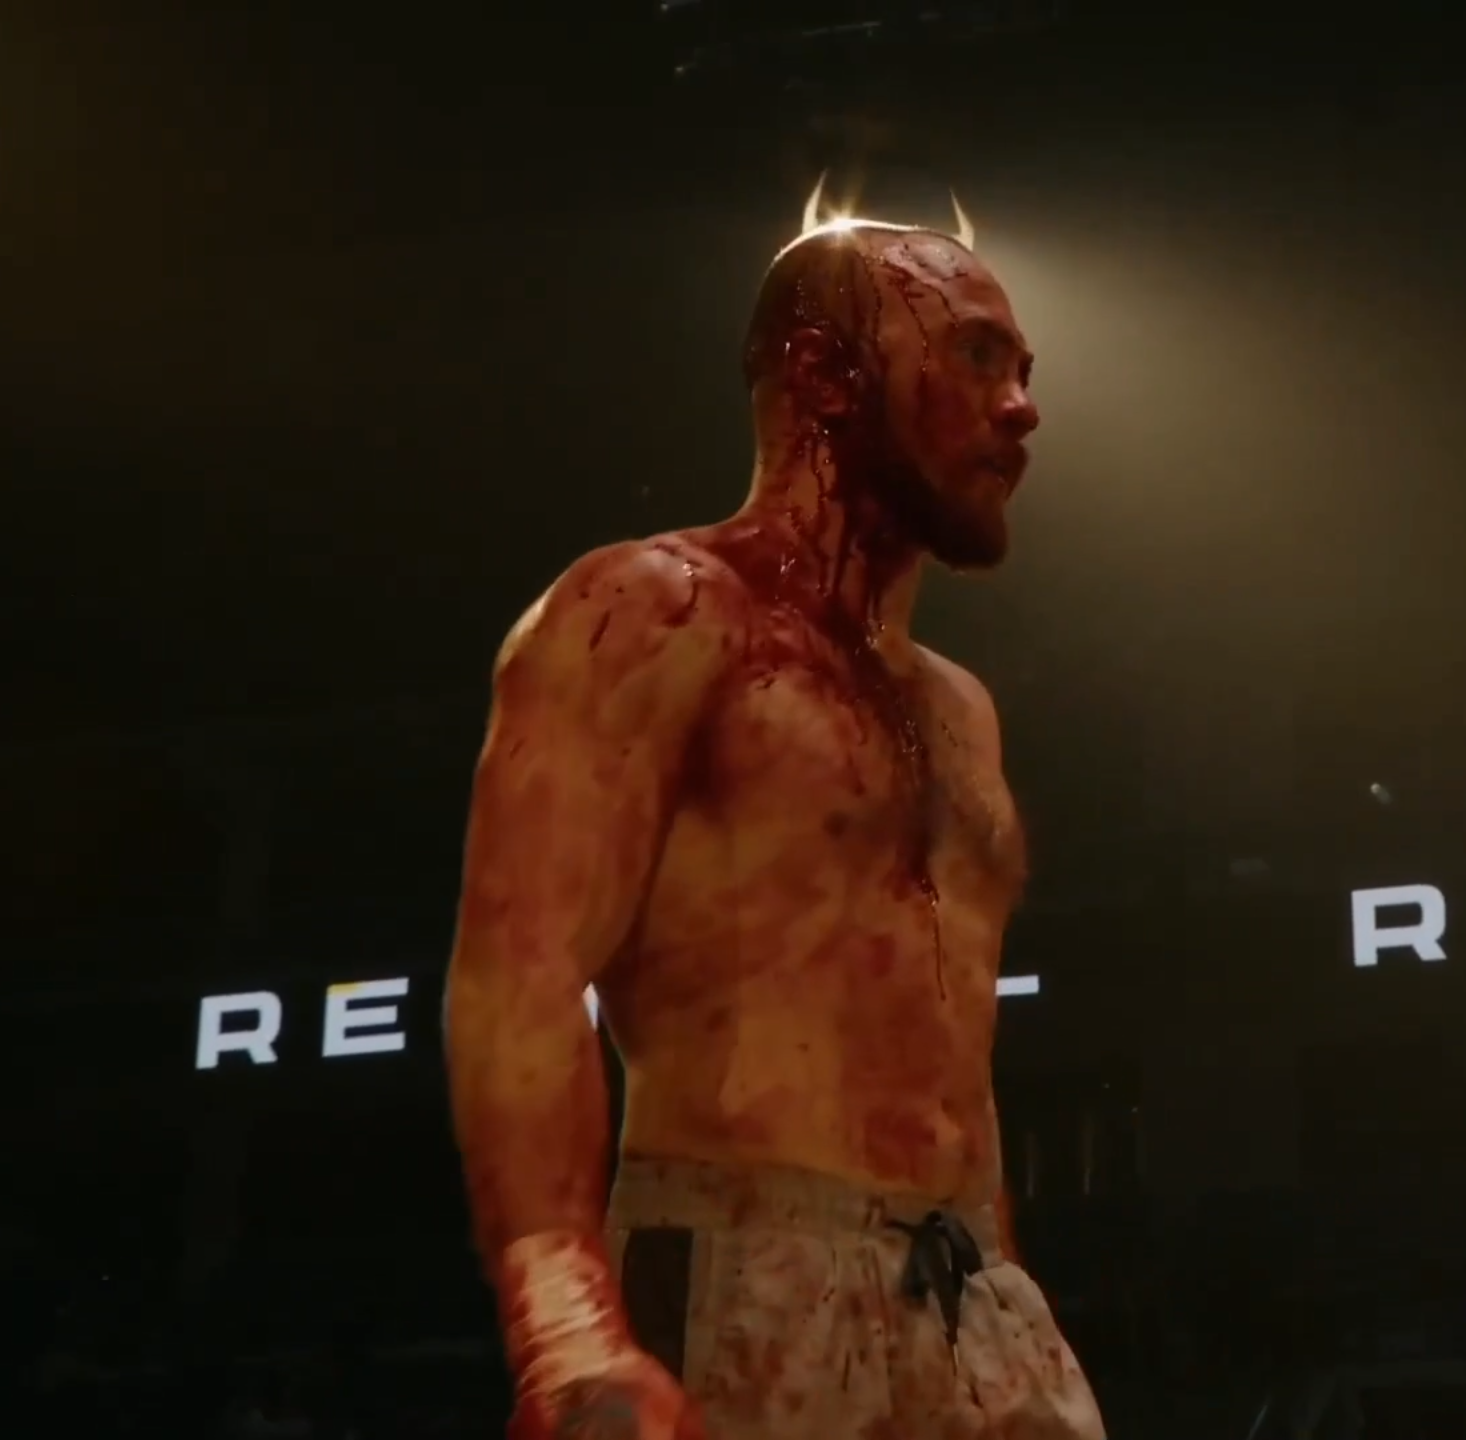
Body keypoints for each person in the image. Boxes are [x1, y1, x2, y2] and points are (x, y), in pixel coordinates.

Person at [443, 208, 1104, 1440]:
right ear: (823, 374)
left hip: (978, 1297)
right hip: (747, 1262)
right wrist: (565, 1326)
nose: (1021, 409)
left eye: (1023, 371)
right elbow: (519, 975)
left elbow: (948, 1057)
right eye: (974, 356)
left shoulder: (962, 711)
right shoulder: (653, 611)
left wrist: (1006, 1292)